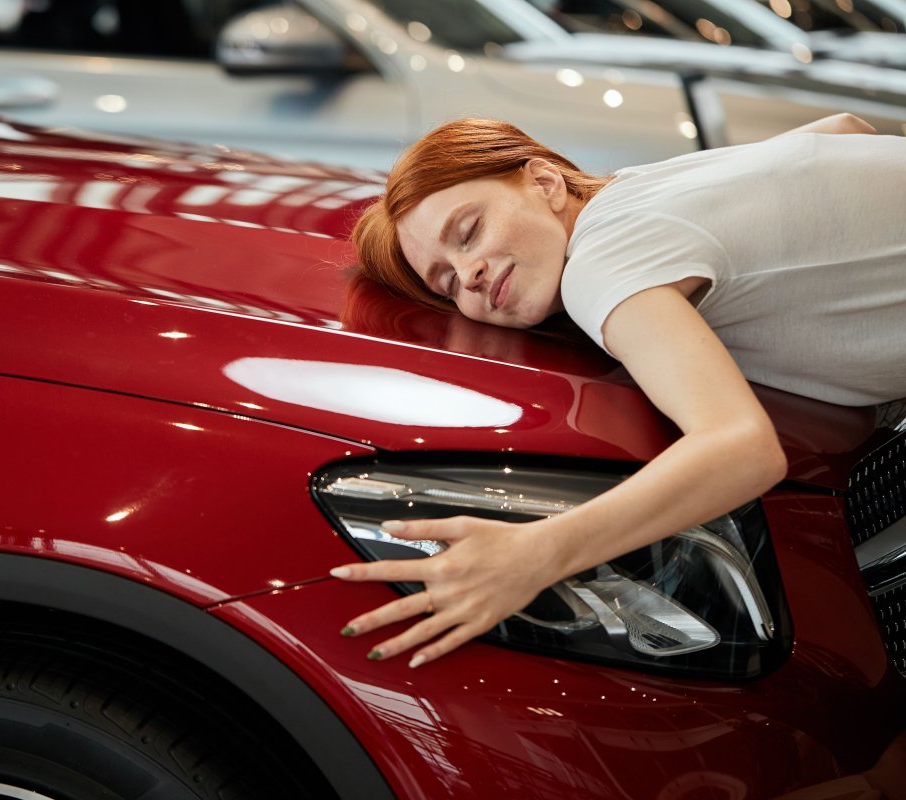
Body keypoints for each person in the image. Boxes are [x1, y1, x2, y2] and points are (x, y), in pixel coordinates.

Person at [330, 113, 906, 668]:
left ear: (544, 181)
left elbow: (743, 449)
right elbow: (846, 128)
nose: (470, 272)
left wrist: (532, 554)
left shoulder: (602, 263)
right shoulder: (636, 185)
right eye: (448, 281)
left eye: (470, 230)